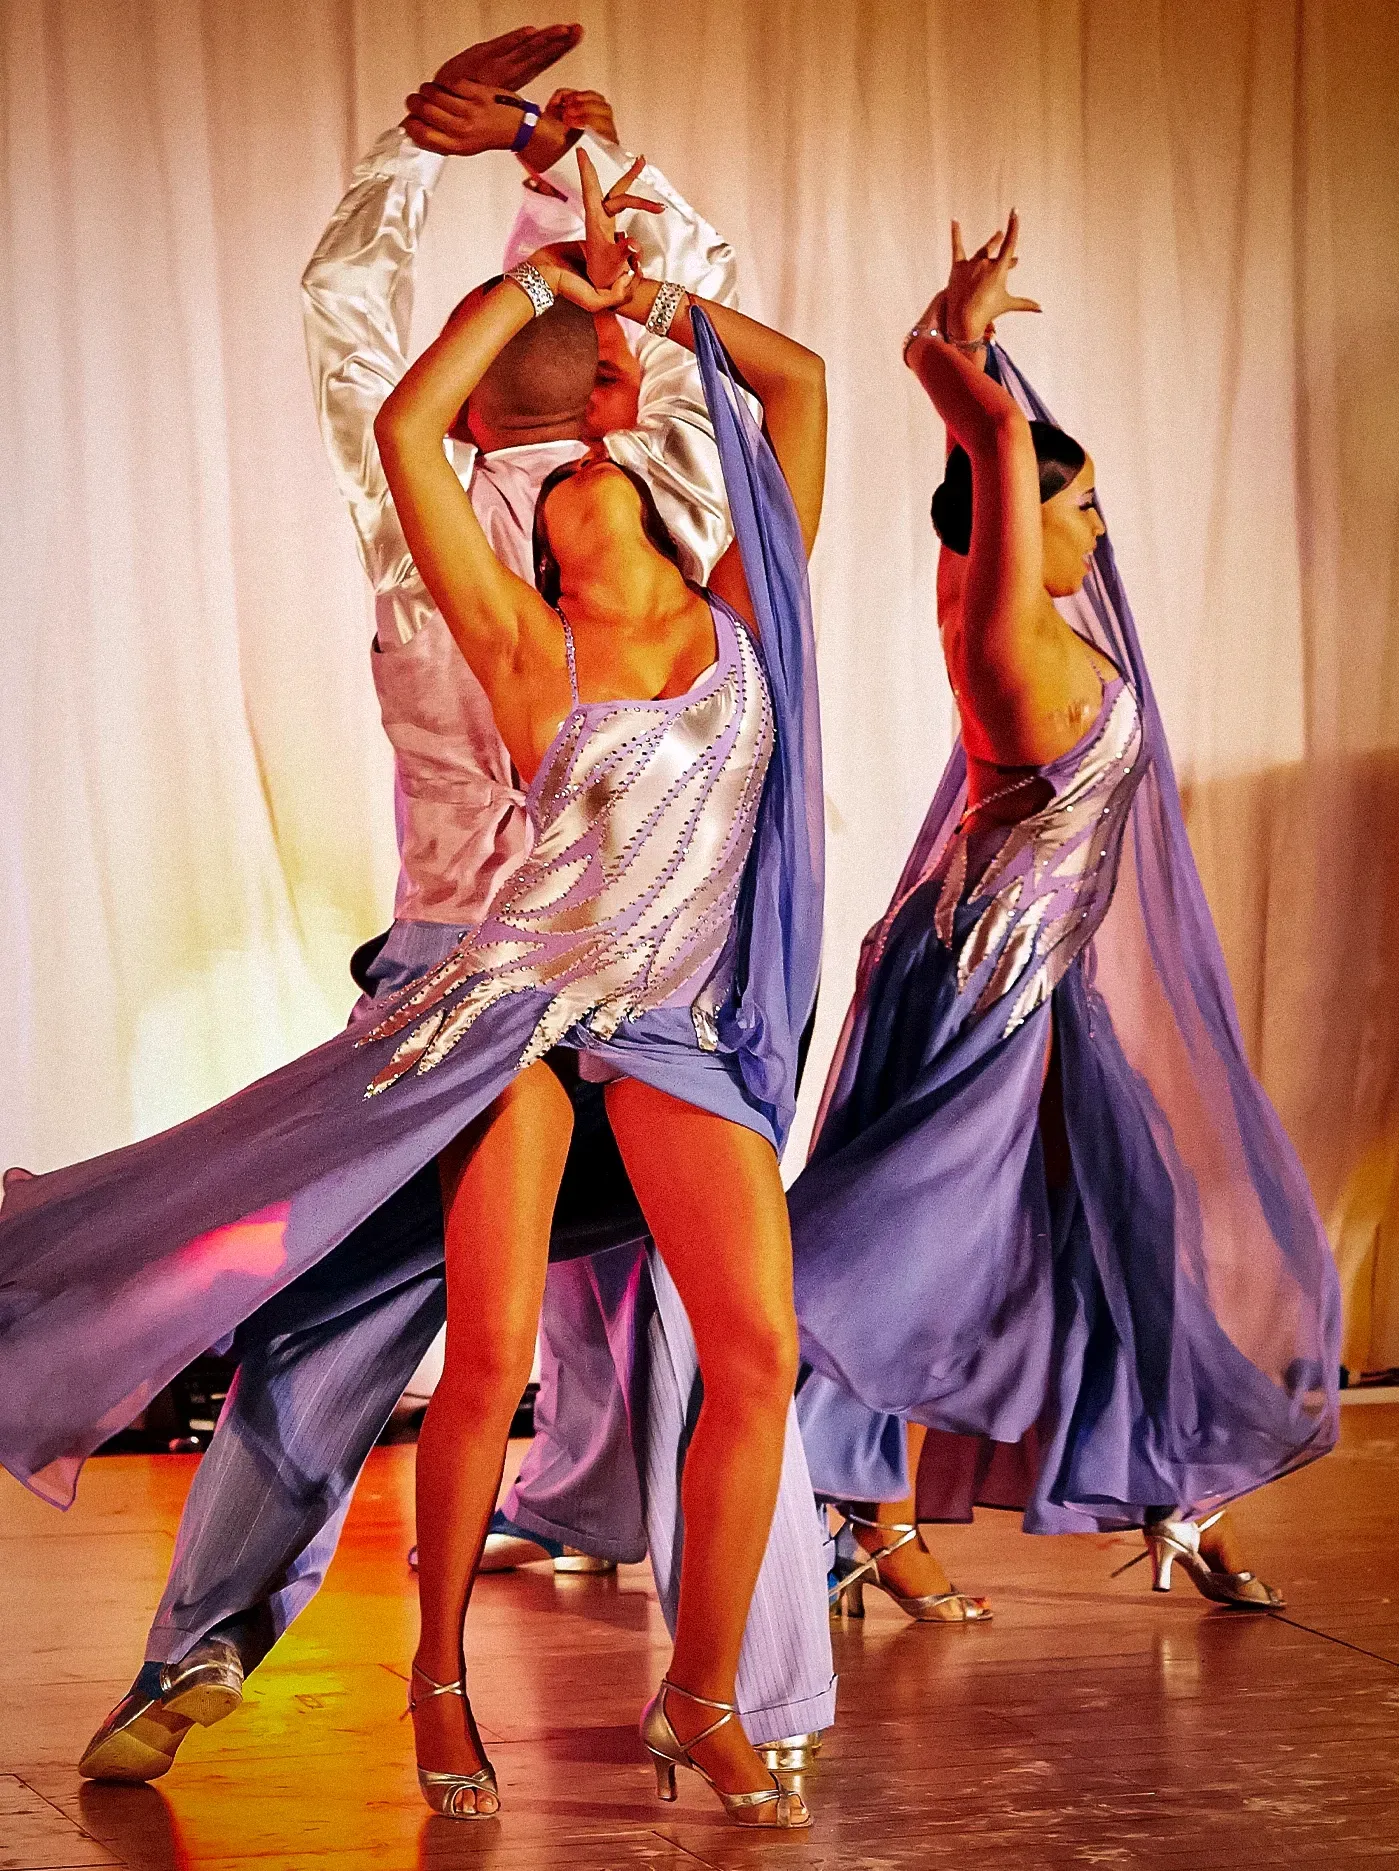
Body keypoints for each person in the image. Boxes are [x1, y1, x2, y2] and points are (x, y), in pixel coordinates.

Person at [0, 144, 827, 1830]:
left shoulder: (712, 561)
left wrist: (618, 212)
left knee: (739, 1349)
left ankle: (729, 1686)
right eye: (597, 382)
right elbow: (370, 371)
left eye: (625, 390)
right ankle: (268, 1663)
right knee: (358, 1334)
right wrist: (487, 240)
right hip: (476, 1001)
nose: (615, 405)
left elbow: (777, 389)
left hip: (667, 1016)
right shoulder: (485, 594)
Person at [788, 212, 1341, 1619]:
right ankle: (837, 1495)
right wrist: (945, 357)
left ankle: (1173, 1489)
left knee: (1118, 1226)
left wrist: (973, 343)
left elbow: (995, 452)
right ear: (1005, 520)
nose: (1096, 529)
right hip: (981, 981)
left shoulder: (1034, 609)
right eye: (1077, 506)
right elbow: (981, 450)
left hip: (1028, 979)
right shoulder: (997, 629)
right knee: (888, 1247)